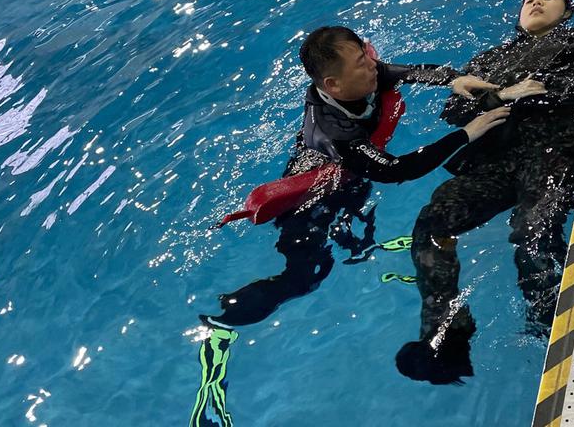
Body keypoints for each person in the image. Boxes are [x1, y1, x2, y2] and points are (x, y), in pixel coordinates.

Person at [396, 0, 574, 385]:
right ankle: (447, 331)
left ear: (566, 12)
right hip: (495, 160)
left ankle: (555, 329)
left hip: (553, 150)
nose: (535, 2)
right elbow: (454, 111)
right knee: (432, 224)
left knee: (532, 231)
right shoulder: (489, 59)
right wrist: (500, 95)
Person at [202, 26, 510, 330]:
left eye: (366, 56)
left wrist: (453, 78)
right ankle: (226, 318)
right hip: (309, 201)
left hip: (354, 173)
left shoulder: (362, 78)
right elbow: (394, 170)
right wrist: (466, 134)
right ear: (333, 85)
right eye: (362, 64)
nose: (373, 65)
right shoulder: (333, 131)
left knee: (354, 238)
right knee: (307, 276)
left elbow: (406, 72)